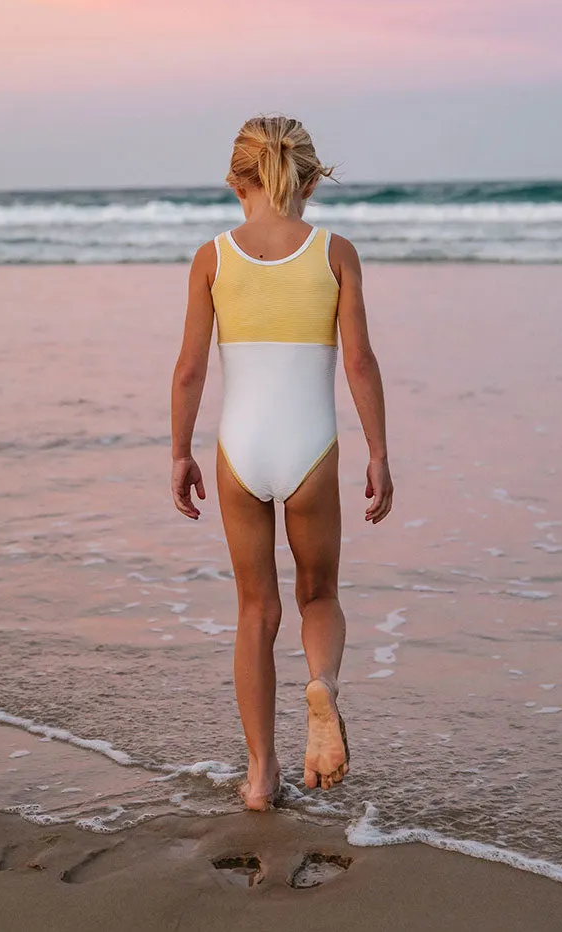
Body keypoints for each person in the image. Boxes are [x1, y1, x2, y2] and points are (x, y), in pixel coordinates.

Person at [170, 114, 393, 810]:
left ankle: (261, 776)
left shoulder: (212, 256)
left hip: (240, 449)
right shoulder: (334, 253)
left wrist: (179, 452)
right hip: (310, 449)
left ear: (237, 181)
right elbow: (357, 360)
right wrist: (379, 453)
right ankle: (321, 683)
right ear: (307, 181)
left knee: (253, 611)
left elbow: (187, 371)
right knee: (317, 596)